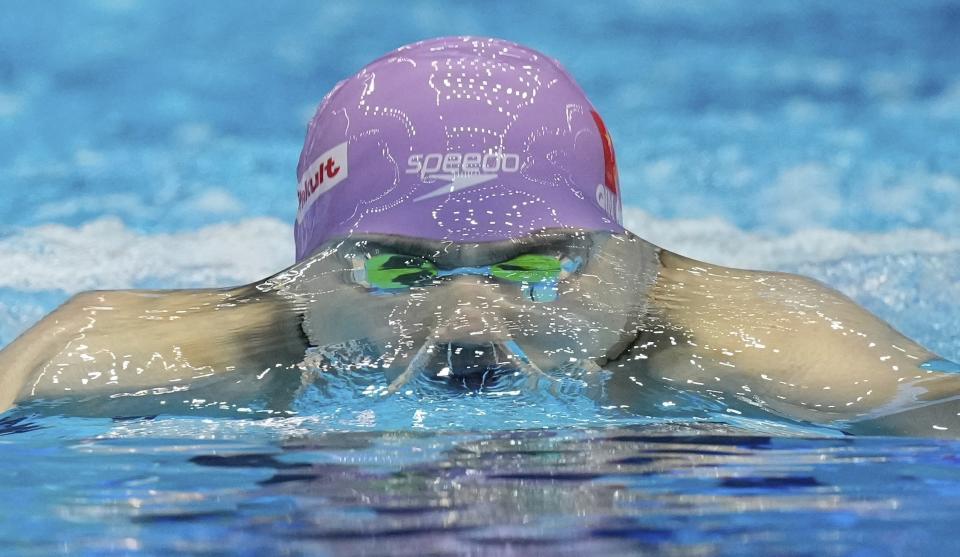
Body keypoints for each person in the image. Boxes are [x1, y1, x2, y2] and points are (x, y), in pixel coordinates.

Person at [1, 36, 957, 435]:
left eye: (534, 263)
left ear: (614, 255)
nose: (467, 326)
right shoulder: (139, 348)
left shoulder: (742, 339)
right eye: (399, 263)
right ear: (311, 270)